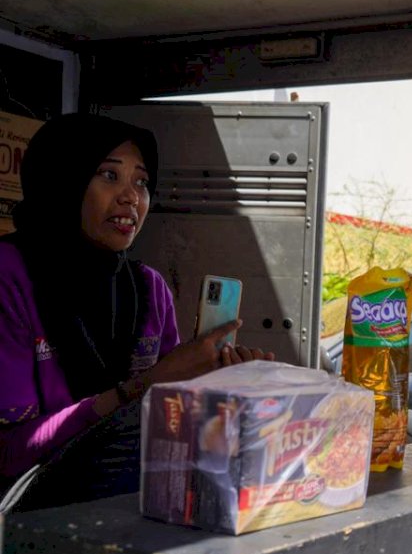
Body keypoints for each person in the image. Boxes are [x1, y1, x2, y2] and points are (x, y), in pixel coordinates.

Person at [0, 113, 272, 510]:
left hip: (116, 500)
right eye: (110, 176)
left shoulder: (148, 287)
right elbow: (9, 454)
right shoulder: (9, 274)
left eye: (141, 182)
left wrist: (220, 384)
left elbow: (170, 424)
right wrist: (146, 385)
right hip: (24, 507)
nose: (131, 197)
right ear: (62, 179)